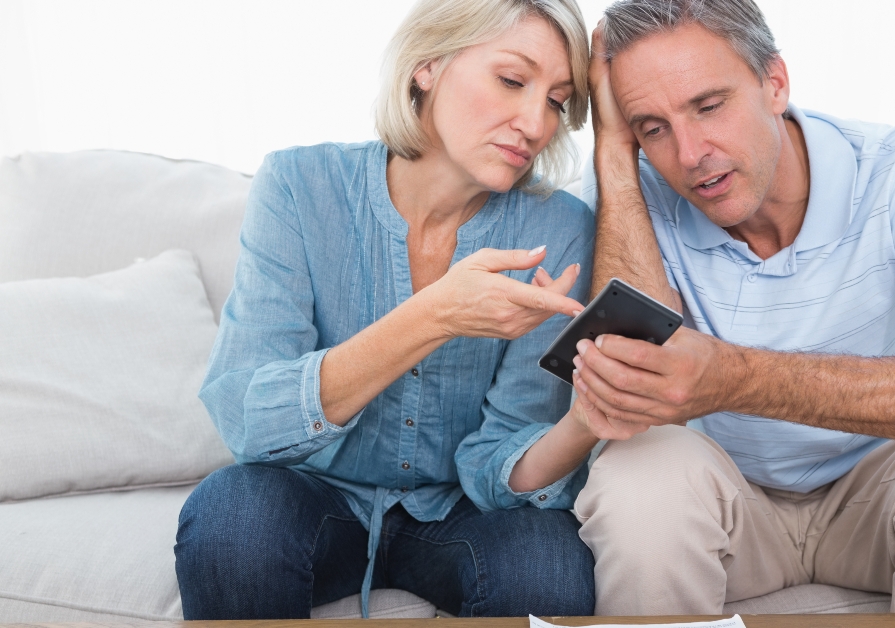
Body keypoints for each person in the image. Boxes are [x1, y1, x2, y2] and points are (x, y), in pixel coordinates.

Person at [565, 0, 895, 615]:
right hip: (728, 501)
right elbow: (631, 387)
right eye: (653, 127)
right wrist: (614, 150)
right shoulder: (630, 192)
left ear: (774, 82)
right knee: (637, 475)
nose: (691, 152)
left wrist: (737, 378)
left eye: (709, 105)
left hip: (879, 492)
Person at [174, 0, 600, 619]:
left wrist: (584, 423)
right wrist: (437, 316)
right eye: (512, 80)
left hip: (461, 514)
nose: (536, 123)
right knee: (235, 518)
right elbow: (250, 421)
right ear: (427, 65)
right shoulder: (298, 186)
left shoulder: (559, 227)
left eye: (558, 101)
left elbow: (500, 456)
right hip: (315, 492)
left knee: (546, 560)